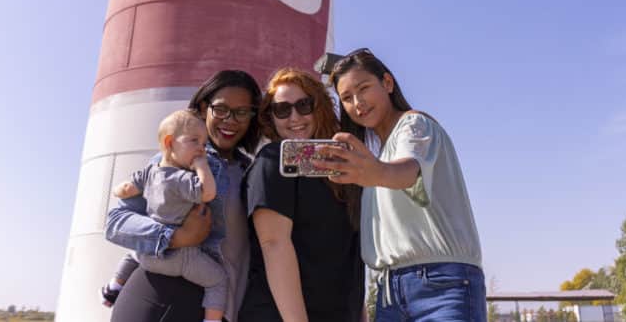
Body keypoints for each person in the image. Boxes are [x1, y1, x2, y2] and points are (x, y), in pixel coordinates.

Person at [318, 49, 487, 322]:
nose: (357, 102)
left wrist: (376, 172)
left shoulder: (414, 125)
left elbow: (407, 171)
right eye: (347, 98)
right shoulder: (378, 156)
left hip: (441, 284)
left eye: (363, 88)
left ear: (387, 83)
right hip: (389, 292)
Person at [105, 70, 263, 322]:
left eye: (242, 112)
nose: (230, 120)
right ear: (203, 108)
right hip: (161, 295)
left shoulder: (252, 169)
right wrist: (175, 237)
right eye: (221, 109)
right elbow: (115, 222)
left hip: (222, 306)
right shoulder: (181, 160)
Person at [237, 67, 363, 322]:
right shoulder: (273, 160)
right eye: (282, 109)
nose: (294, 117)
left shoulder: (342, 170)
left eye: (303, 105)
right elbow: (274, 245)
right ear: (271, 117)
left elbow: (351, 257)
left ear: (319, 106)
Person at [107, 109, 229, 321]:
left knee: (133, 252)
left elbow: (127, 189)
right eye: (195, 141)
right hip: (180, 257)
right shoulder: (183, 178)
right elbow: (208, 192)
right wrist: (201, 166)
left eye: (204, 142)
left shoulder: (150, 172)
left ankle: (114, 287)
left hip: (149, 256)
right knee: (218, 281)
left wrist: (117, 190)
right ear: (170, 143)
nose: (202, 148)